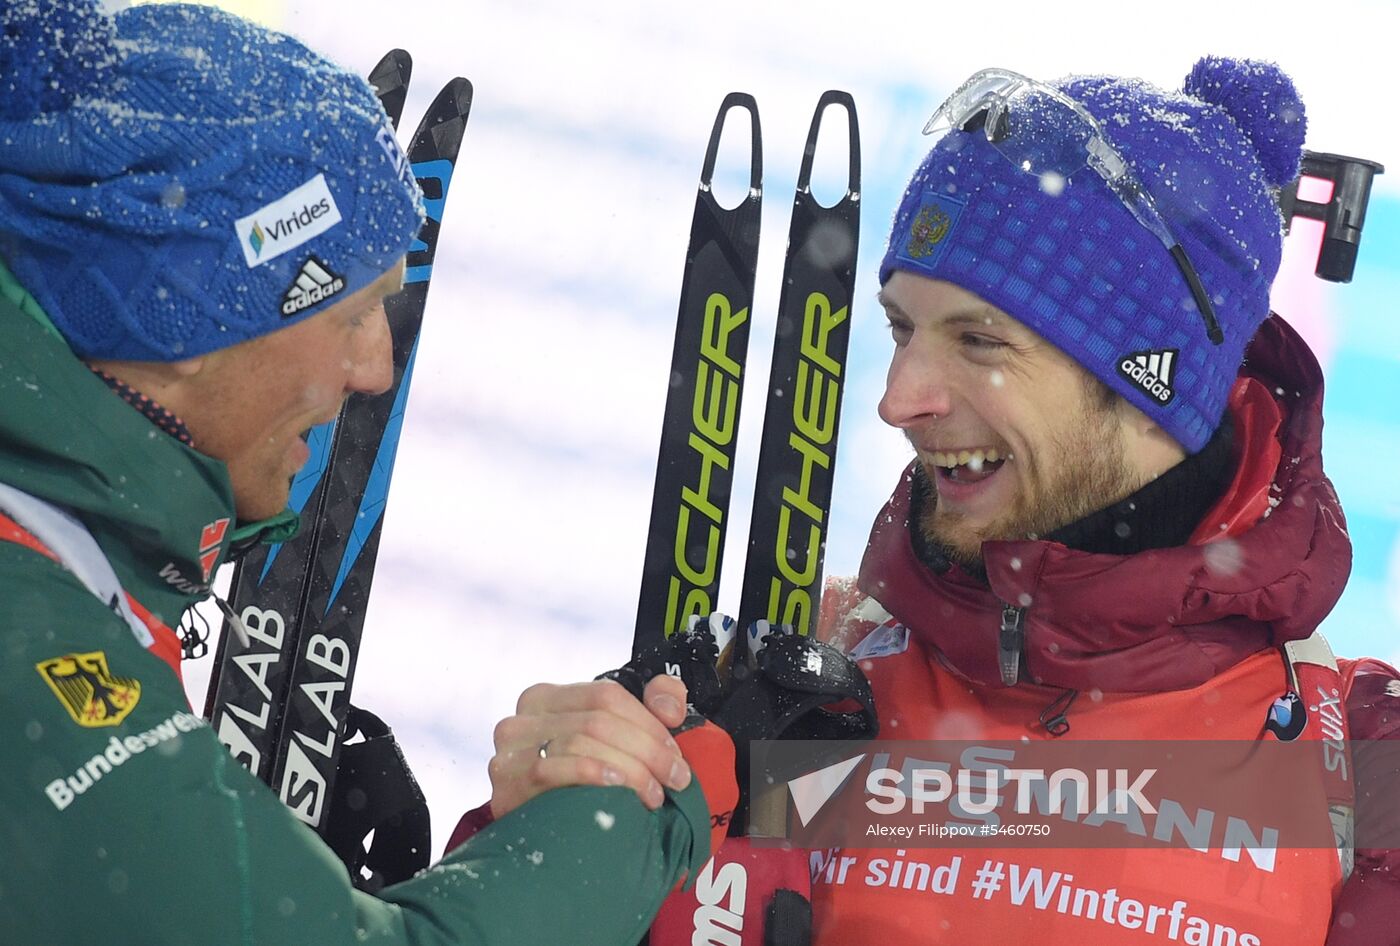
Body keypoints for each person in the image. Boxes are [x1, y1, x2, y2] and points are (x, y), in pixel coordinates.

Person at [0, 2, 733, 942]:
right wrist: (635, 813)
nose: (375, 369)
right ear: (184, 319)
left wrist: (259, 869)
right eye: (352, 314)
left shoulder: (60, 541)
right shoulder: (30, 641)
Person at [796, 57, 1400, 944]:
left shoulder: (1371, 768)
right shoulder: (806, 670)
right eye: (903, 327)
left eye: (979, 338)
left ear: (1151, 381)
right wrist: (556, 837)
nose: (899, 396)